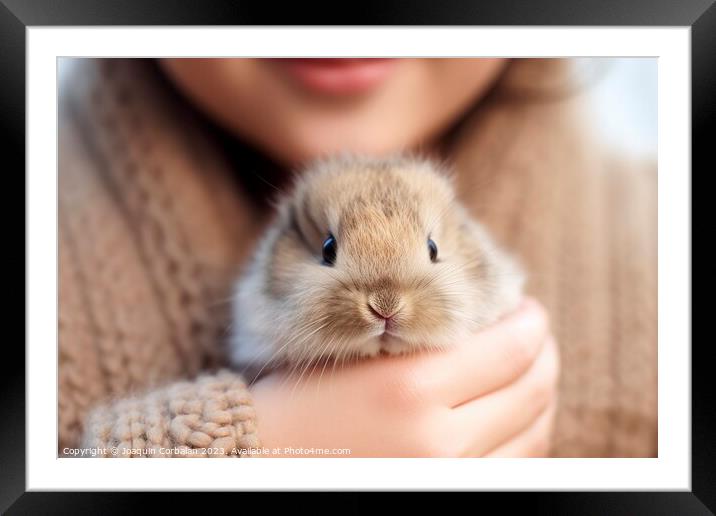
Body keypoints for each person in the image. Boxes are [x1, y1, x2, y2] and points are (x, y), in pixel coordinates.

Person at [59, 58, 656, 457]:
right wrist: (248, 451)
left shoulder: (664, 234)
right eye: (330, 252)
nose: (386, 303)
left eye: (428, 252)